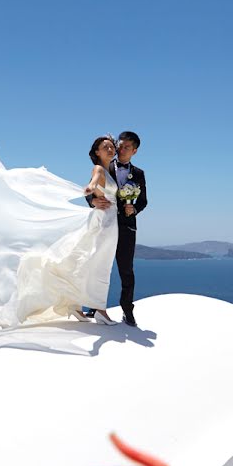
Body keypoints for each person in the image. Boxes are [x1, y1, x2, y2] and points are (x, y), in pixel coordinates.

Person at [0, 126, 119, 326]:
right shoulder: (98, 169)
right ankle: (100, 311)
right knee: (99, 266)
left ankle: (75, 303)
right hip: (102, 222)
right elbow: (93, 184)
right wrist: (89, 191)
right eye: (105, 147)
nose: (110, 149)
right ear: (97, 152)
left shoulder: (112, 172)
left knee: (83, 261)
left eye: (112, 146)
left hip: (111, 221)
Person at [91, 131, 147, 326]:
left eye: (126, 147)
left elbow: (143, 201)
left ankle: (127, 310)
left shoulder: (139, 174)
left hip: (126, 228)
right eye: (120, 145)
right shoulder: (106, 165)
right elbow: (93, 186)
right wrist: (92, 201)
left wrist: (134, 209)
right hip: (105, 225)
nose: (121, 150)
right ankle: (94, 306)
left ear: (135, 151)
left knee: (126, 270)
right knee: (98, 265)